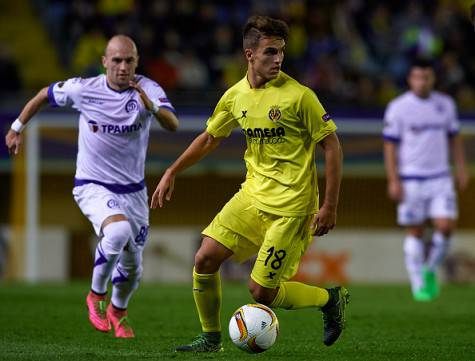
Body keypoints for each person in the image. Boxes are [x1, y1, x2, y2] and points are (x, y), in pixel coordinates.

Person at [151, 15, 349, 352]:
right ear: (249, 55)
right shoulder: (235, 96)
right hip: (252, 197)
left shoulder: (299, 97)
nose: (278, 59)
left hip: (292, 208)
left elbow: (332, 146)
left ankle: (329, 299)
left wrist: (329, 205)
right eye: (270, 52)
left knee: (261, 293)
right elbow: (210, 138)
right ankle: (211, 338)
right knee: (204, 258)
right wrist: (172, 170)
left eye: (281, 52)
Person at [5, 35, 179, 337]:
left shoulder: (147, 88)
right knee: (118, 231)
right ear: (104, 62)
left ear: (136, 62)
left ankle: (118, 310)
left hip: (134, 192)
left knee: (134, 266)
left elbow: (173, 124)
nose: (123, 67)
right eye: (116, 60)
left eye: (129, 60)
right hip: (92, 184)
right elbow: (44, 94)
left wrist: (150, 107)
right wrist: (16, 127)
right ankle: (95, 295)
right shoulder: (85, 89)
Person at [383, 59, 469, 302]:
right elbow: (390, 146)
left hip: (441, 177)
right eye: (417, 77)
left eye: (426, 77)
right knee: (416, 231)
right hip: (410, 179)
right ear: (410, 79)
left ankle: (430, 269)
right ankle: (418, 283)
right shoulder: (398, 108)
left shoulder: (445, 104)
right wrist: (393, 179)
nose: (422, 82)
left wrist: (461, 168)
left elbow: (454, 139)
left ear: (433, 79)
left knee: (445, 226)